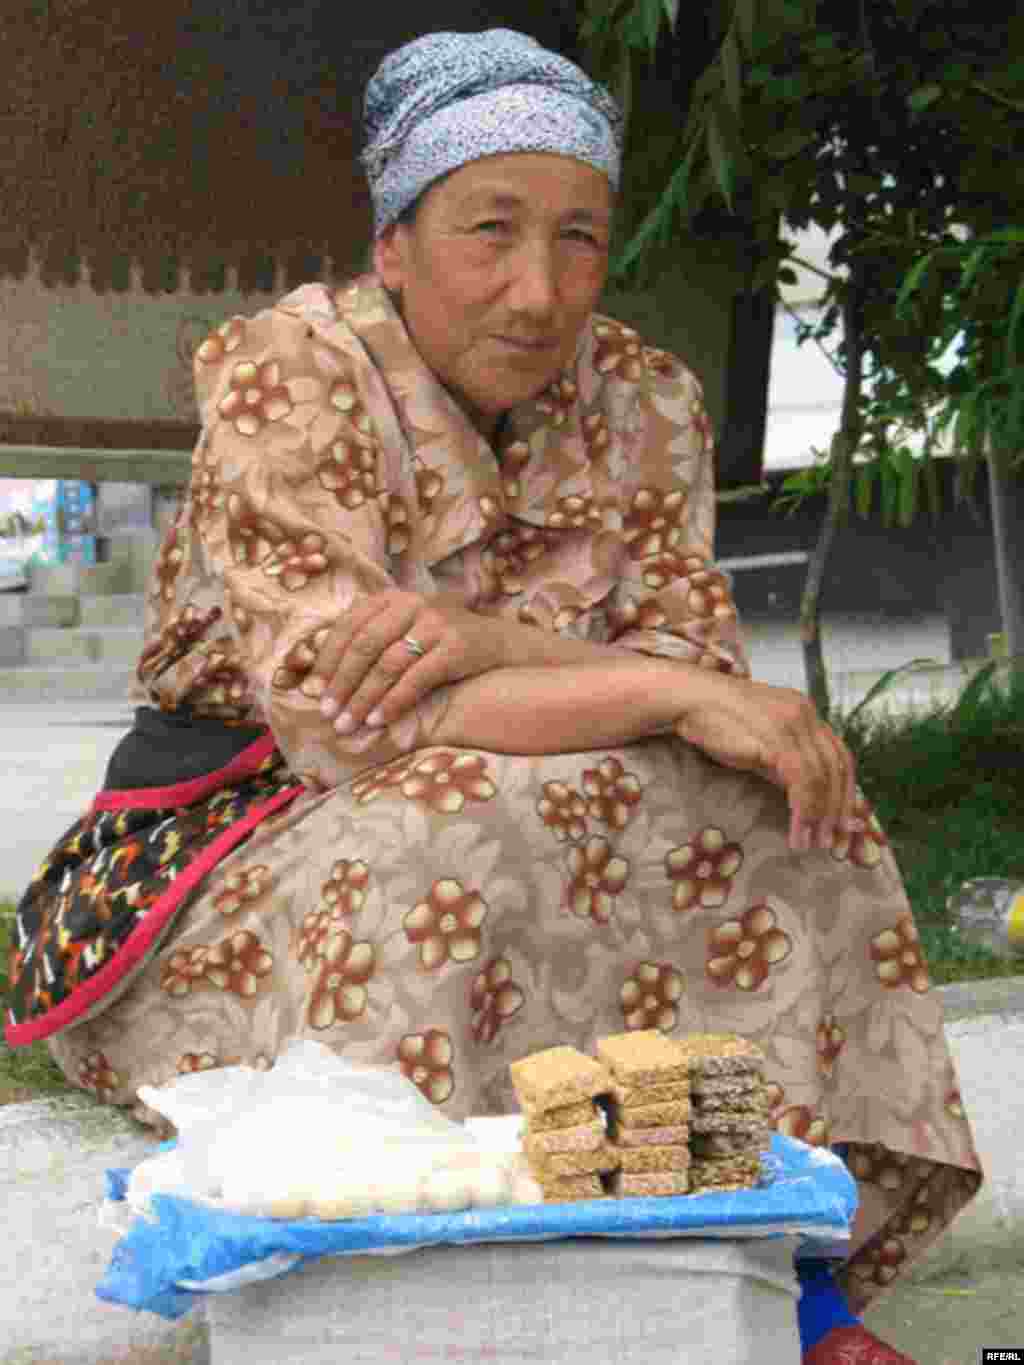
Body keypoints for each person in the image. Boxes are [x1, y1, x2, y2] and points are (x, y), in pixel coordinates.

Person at [5, 28, 979, 1363]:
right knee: (466, 811)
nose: (538, 290)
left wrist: (488, 641)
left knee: (773, 785)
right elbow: (352, 717)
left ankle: (774, 1257)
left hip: (505, 783)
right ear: (393, 245)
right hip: (236, 833)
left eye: (580, 237)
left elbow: (702, 698)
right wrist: (652, 688)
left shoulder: (646, 399)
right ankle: (423, 1269)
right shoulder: (289, 374)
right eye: (490, 230)